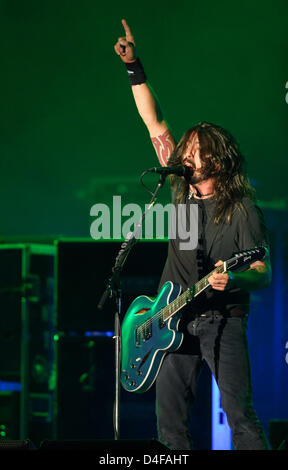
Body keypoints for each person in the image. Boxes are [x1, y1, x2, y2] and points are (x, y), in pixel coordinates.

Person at [114, 19, 272, 450]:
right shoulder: (179, 192)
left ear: (217, 160)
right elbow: (155, 122)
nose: (186, 154)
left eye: (197, 150)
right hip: (170, 319)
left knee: (241, 418)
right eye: (185, 149)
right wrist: (134, 68)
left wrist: (235, 279)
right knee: (169, 430)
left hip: (223, 320)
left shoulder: (242, 210)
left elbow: (262, 270)